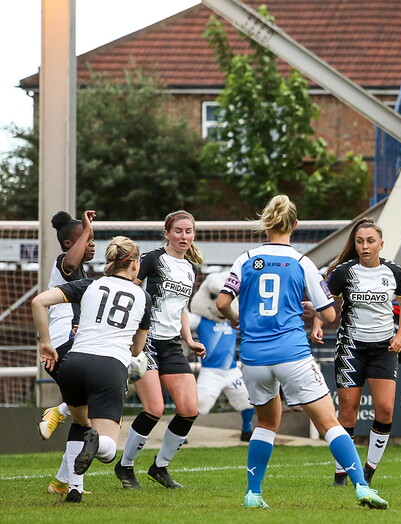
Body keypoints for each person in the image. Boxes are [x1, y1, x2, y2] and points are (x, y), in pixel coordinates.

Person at [217, 195, 388, 510]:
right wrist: (312, 310)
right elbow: (330, 314)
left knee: (266, 423)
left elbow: (222, 303)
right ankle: (362, 486)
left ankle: (253, 494)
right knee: (329, 423)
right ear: (294, 225)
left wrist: (238, 320)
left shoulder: (246, 258)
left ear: (267, 224)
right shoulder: (301, 262)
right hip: (291, 353)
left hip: (253, 357)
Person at [32, 236, 151, 503]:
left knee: (79, 421)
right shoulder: (143, 296)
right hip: (109, 367)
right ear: (133, 264)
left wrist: (46, 343)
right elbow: (135, 349)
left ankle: (73, 488)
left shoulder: (90, 285)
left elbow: (39, 301)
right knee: (107, 449)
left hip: (74, 364)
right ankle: (95, 443)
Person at [115, 210, 207, 490]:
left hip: (171, 344)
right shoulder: (153, 260)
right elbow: (126, 290)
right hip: (146, 340)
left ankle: (160, 467)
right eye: (178, 231)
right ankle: (126, 466)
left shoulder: (191, 269)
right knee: (154, 408)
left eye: (188, 231)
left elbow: (180, 310)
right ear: (166, 233)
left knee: (189, 408)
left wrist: (188, 340)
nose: (184, 236)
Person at [324, 218, 401, 486]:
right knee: (348, 411)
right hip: (351, 347)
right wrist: (318, 324)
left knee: (385, 410)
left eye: (370, 241)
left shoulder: (394, 272)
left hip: (383, 348)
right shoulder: (344, 272)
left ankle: (368, 472)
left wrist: (400, 335)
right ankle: (341, 473)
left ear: (381, 244)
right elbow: (324, 300)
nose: (365, 246)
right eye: (360, 241)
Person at [38, 211, 96, 443]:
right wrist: (87, 230)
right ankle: (59, 411)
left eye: (92, 238)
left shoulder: (82, 272)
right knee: (111, 386)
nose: (91, 244)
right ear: (69, 244)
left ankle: (64, 481)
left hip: (67, 346)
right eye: (86, 238)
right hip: (62, 347)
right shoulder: (63, 262)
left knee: (84, 423)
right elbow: (71, 261)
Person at [188, 271, 255, 441]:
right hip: (210, 372)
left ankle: (247, 430)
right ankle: (182, 434)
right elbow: (182, 320)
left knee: (247, 399)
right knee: (198, 402)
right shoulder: (201, 320)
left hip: (232, 370)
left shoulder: (232, 319)